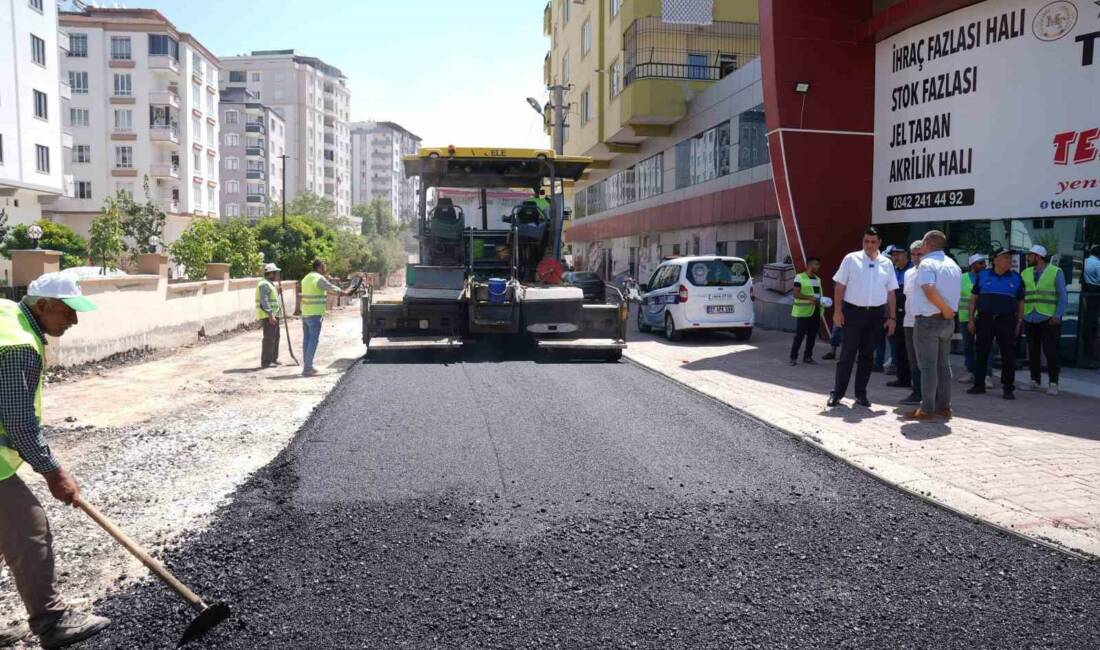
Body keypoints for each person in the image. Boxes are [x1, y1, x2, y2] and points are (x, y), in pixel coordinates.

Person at [0, 273, 110, 648]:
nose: (73, 320)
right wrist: (53, 473)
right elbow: (17, 421)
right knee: (30, 530)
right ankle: (51, 621)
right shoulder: (18, 344)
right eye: (68, 311)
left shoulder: (6, 315)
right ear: (43, 306)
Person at [827, 226, 898, 408]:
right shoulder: (851, 259)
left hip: (876, 315)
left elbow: (891, 293)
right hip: (853, 313)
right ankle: (837, 393)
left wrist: (891, 318)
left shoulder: (886, 263)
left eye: (873, 241)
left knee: (867, 356)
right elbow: (839, 287)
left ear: (880, 242)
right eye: (866, 241)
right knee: (847, 355)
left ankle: (861, 394)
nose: (869, 245)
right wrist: (837, 311)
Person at [906, 230, 962, 420]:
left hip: (929, 320)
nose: (921, 246)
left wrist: (944, 309)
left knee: (928, 367)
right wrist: (947, 312)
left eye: (922, 242)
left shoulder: (927, 263)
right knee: (943, 366)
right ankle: (944, 407)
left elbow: (928, 290)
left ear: (928, 243)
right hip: (947, 322)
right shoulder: (953, 264)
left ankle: (927, 409)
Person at [966, 248, 1024, 400]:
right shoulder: (983, 275)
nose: (1009, 260)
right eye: (1006, 257)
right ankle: (979, 385)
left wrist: (1019, 321)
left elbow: (1020, 302)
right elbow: (973, 299)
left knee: (1008, 355)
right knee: (981, 352)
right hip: (985, 319)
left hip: (1007, 320)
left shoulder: (1016, 278)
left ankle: (1008, 388)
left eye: (1010, 258)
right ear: (995, 260)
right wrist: (971, 319)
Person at [1021, 244, 1067, 395]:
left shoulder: (1055, 272)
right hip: (1030, 317)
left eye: (1030, 255)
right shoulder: (1026, 273)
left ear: (1038, 257)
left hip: (1048, 318)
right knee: (1033, 352)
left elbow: (1062, 296)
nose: (1028, 258)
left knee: (1050, 351)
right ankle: (1035, 380)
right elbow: (1021, 295)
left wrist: (1058, 314)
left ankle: (1053, 383)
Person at [300, 260, 356, 377]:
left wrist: (339, 293)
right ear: (319, 267)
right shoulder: (318, 278)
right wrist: (343, 292)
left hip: (305, 313)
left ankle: (308, 365)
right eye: (324, 267)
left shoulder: (306, 278)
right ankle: (307, 368)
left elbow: (322, 291)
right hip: (314, 314)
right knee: (313, 341)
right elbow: (329, 287)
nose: (325, 269)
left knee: (306, 340)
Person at [899, 241, 925, 406]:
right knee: (913, 359)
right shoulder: (908, 273)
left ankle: (930, 394)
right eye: (913, 254)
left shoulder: (931, 272)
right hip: (909, 322)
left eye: (919, 254)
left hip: (925, 321)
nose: (916, 258)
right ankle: (917, 392)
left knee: (927, 360)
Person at [957, 253, 989, 384]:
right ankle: (970, 372)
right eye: (980, 263)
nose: (984, 266)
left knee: (985, 346)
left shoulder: (987, 277)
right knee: (968, 346)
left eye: (984, 263)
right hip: (965, 317)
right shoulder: (962, 278)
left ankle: (986, 375)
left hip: (983, 317)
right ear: (972, 265)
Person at [885, 245, 912, 387]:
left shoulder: (913, 269)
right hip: (897, 314)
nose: (895, 258)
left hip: (910, 313)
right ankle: (903, 378)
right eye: (893, 255)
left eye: (898, 254)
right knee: (899, 347)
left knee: (911, 349)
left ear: (906, 254)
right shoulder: (893, 271)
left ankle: (914, 380)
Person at [789, 257, 823, 365]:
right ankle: (793, 358)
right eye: (816, 264)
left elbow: (818, 295)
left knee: (812, 336)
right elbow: (796, 294)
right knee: (799, 336)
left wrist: (823, 301)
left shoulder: (817, 279)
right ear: (810, 265)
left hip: (815, 311)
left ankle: (808, 357)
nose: (818, 267)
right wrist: (810, 298)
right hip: (803, 312)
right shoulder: (799, 277)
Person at [257, 263, 283, 368]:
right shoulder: (264, 284)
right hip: (268, 315)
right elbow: (264, 300)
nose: (277, 275)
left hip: (274, 314)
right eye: (276, 273)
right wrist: (270, 315)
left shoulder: (269, 284)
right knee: (269, 338)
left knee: (275, 337)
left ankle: (273, 359)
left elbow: (272, 298)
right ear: (271, 273)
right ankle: (266, 361)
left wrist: (278, 292)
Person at [1082, 245, 1100, 370]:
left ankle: (1088, 340)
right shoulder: (1098, 263)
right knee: (1094, 320)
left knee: (1089, 317)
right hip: (1096, 292)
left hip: (1088, 292)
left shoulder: (1086, 261)